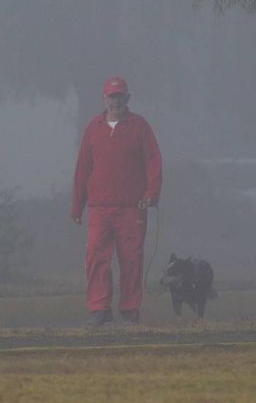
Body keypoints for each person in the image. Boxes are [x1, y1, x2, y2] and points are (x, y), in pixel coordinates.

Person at [71, 76, 162, 327]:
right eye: (112, 97)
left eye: (120, 96)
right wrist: (76, 206)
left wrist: (151, 194)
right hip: (99, 208)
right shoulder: (93, 128)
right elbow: (82, 169)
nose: (116, 102)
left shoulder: (139, 127)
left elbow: (153, 161)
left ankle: (130, 308)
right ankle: (99, 308)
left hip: (132, 208)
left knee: (131, 258)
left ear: (127, 98)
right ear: (104, 99)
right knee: (95, 257)